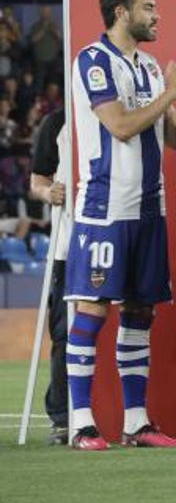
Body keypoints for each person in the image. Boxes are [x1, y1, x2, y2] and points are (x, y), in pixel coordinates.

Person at [65, 0, 176, 450]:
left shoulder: (153, 68)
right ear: (121, 13)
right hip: (103, 208)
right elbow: (120, 125)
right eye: (148, 8)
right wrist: (172, 90)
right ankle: (81, 422)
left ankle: (136, 423)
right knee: (93, 310)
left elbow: (173, 139)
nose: (157, 16)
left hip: (148, 209)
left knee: (139, 312)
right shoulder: (93, 62)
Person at [28, 107, 69, 444]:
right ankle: (62, 417)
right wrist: (48, 192)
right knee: (65, 334)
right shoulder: (56, 122)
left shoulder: (126, 109)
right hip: (67, 248)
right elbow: (37, 181)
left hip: (117, 235)